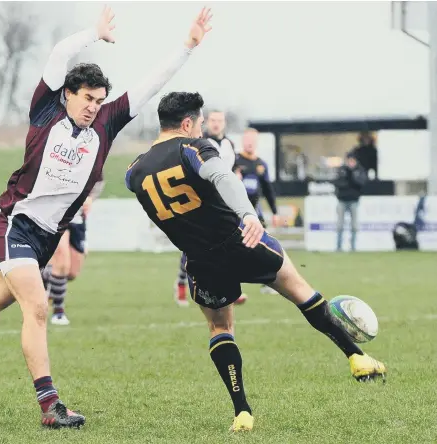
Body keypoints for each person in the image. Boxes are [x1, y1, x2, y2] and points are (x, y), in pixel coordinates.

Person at [0, 6, 214, 429]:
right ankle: (50, 406)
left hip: (46, 237)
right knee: (37, 308)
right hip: (14, 225)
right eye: (87, 98)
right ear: (68, 95)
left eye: (98, 100)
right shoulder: (46, 112)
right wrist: (92, 34)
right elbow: (59, 54)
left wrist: (186, 47)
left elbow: (149, 86)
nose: (94, 106)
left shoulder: (107, 125)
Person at [124, 92, 386, 433]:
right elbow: (222, 177)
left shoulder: (134, 171)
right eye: (200, 123)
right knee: (301, 290)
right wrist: (248, 214)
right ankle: (357, 358)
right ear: (187, 123)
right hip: (241, 240)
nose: (202, 128)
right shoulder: (193, 147)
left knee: (220, 329)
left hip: (201, 260)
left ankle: (242, 411)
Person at [173, 110, 247, 307]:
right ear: (206, 123)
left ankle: (231, 287)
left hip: (225, 201)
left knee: (230, 241)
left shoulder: (229, 144)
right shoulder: (199, 142)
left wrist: (237, 175)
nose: (216, 124)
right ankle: (181, 283)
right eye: (212, 120)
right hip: (203, 200)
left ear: (224, 123)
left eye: (219, 120)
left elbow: (234, 167)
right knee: (194, 243)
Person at [42, 178, 105, 325]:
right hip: (55, 213)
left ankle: (42, 275)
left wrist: (90, 197)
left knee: (71, 272)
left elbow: (98, 180)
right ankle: (58, 313)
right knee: (62, 262)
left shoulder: (93, 157)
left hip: (77, 217)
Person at [234, 127, 279, 297]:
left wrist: (274, 212)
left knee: (265, 247)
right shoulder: (235, 161)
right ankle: (233, 286)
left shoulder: (261, 165)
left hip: (255, 212)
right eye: (247, 140)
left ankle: (268, 283)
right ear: (242, 141)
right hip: (236, 212)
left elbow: (268, 189)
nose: (250, 143)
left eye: (253, 140)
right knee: (236, 249)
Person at [335, 152, 367, 252]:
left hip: (354, 201)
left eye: (353, 161)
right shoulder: (342, 170)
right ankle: (338, 246)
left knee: (354, 225)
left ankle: (353, 247)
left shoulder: (359, 170)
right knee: (340, 225)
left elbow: (361, 183)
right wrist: (348, 182)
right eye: (349, 160)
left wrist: (352, 178)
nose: (351, 163)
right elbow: (337, 183)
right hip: (342, 200)